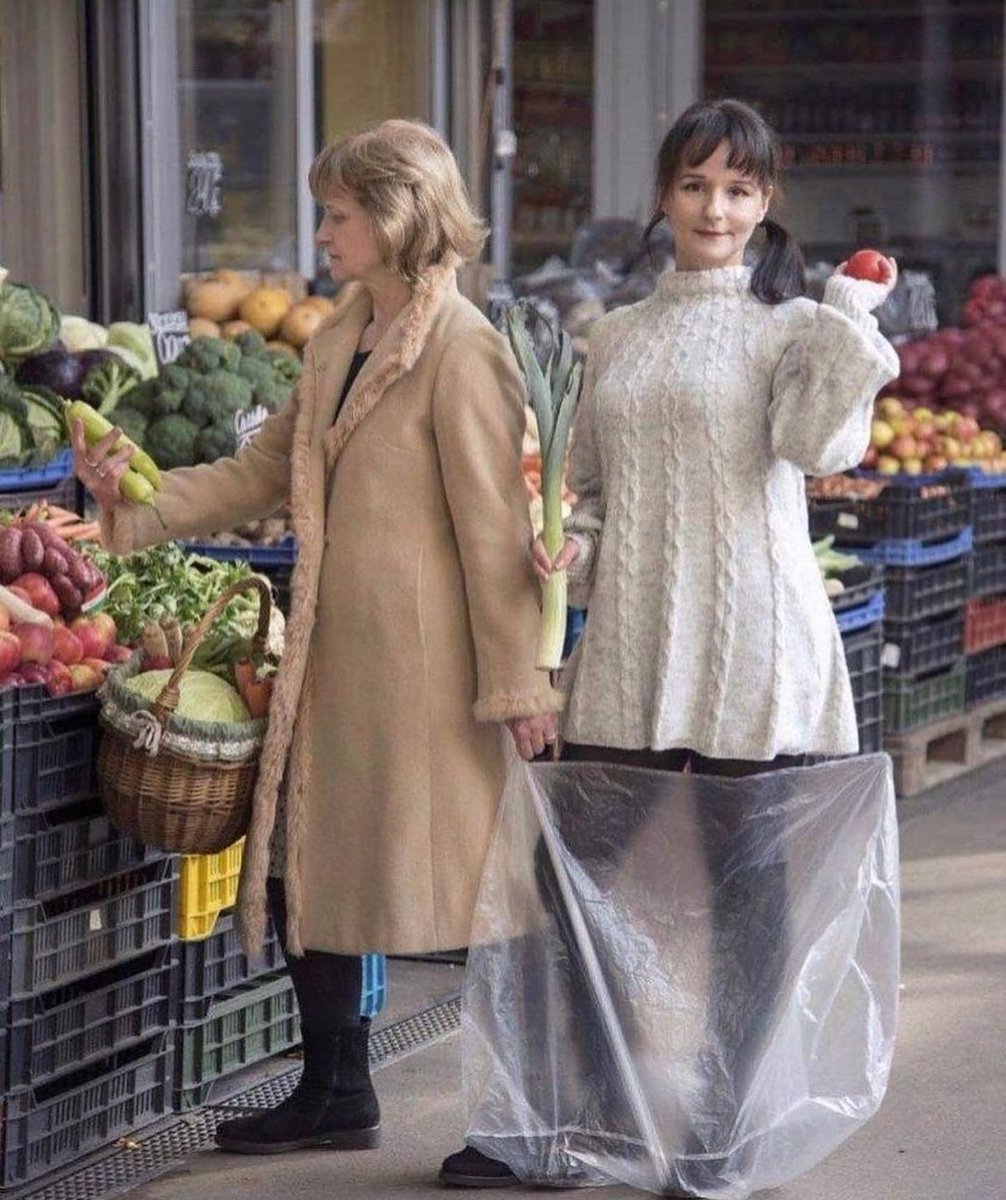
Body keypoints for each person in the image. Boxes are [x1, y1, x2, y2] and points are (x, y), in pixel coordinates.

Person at [73, 118, 562, 1160]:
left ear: (393, 216)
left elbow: (495, 532)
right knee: (304, 865)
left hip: (432, 676)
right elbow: (262, 475)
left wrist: (521, 686)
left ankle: (531, 1121)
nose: (323, 230)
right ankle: (337, 1090)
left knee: (482, 891)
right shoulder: (344, 334)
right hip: (336, 661)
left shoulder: (462, 351)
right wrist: (138, 499)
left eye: (338, 212)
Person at [440, 98, 899, 1193]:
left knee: (746, 896)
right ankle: (569, 1120)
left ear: (764, 204)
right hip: (637, 640)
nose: (715, 207)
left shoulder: (789, 329)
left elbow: (818, 443)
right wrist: (567, 554)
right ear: (663, 195)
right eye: (695, 184)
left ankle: (721, 1121)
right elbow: (592, 495)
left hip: (754, 637)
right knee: (575, 881)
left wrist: (847, 321)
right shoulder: (617, 334)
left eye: (739, 189)